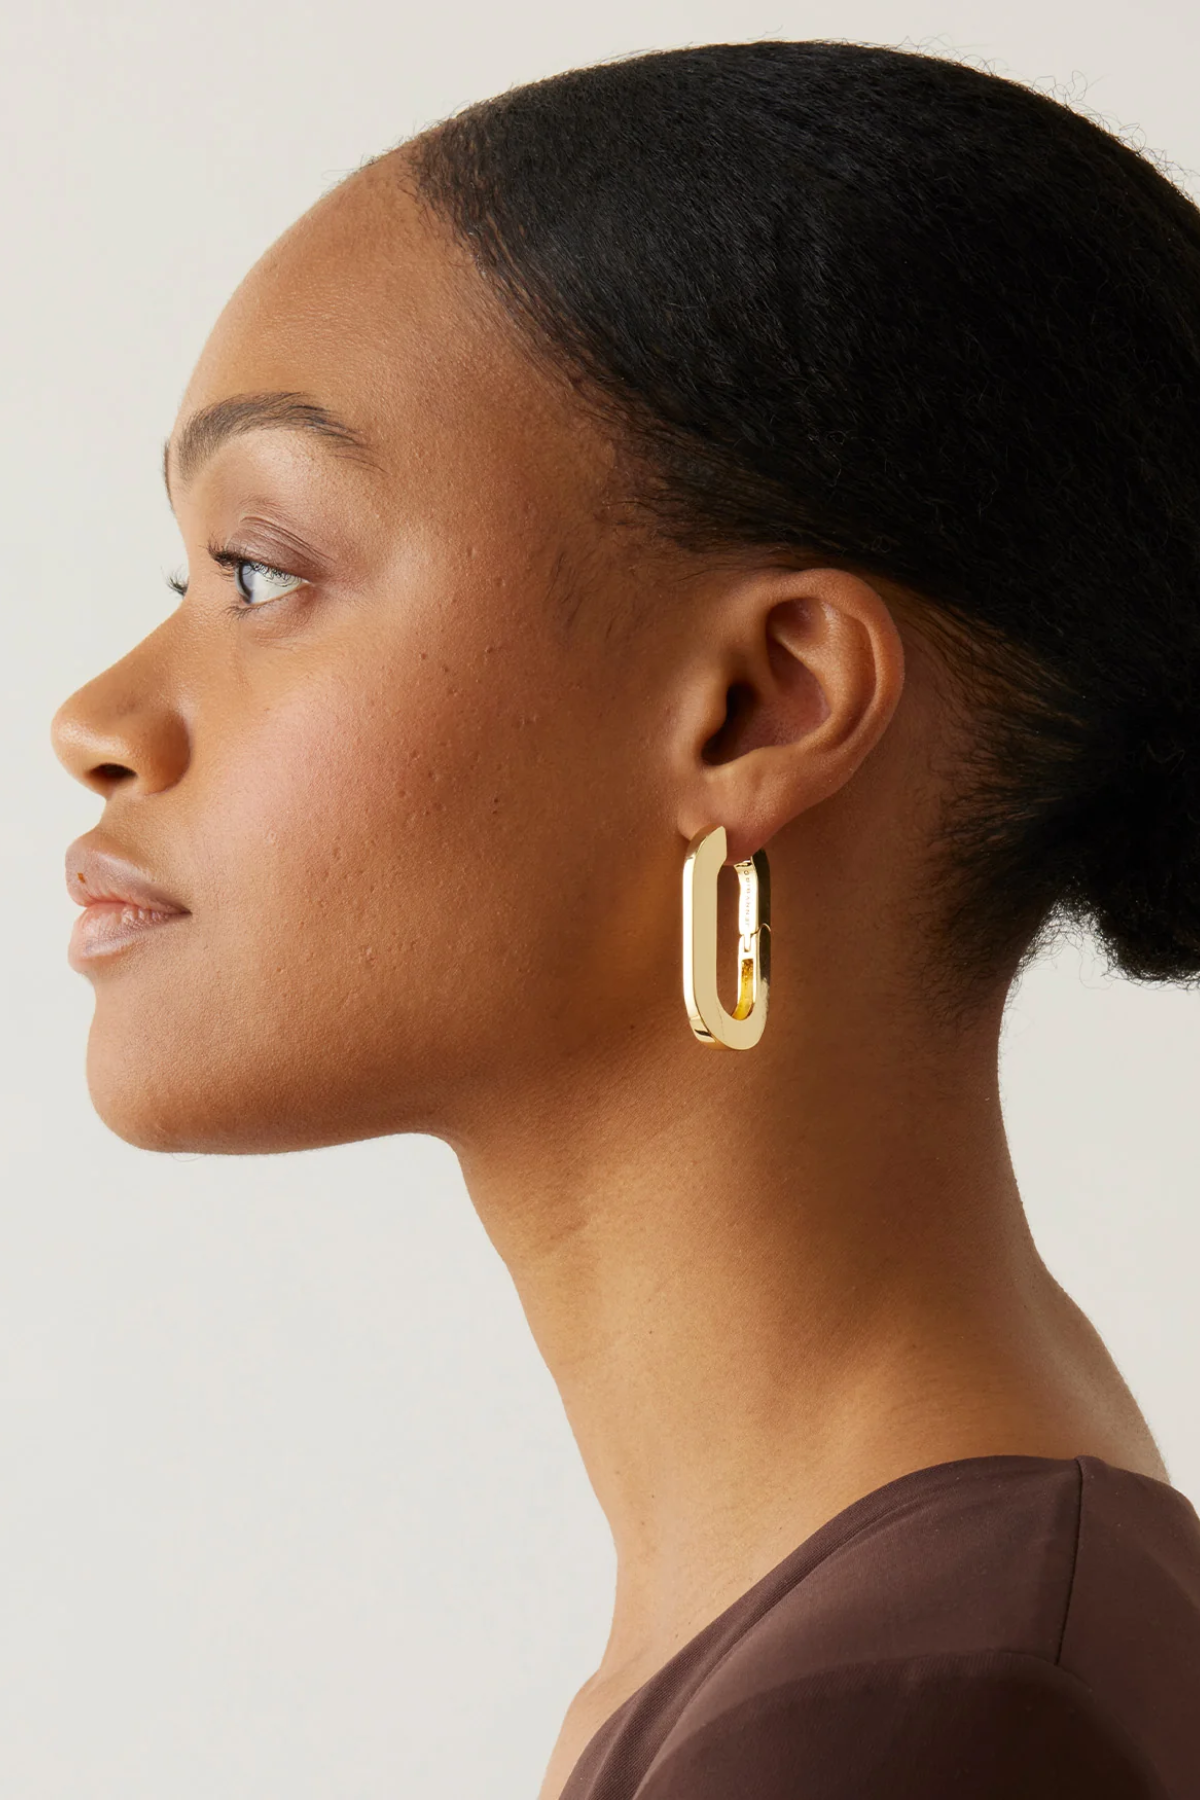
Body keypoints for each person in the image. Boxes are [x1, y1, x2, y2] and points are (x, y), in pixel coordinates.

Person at [51, 38, 1200, 1799]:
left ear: (759, 704)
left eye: (264, 574)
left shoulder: (923, 1717)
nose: (101, 723)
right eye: (185, 577)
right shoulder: (904, 1633)